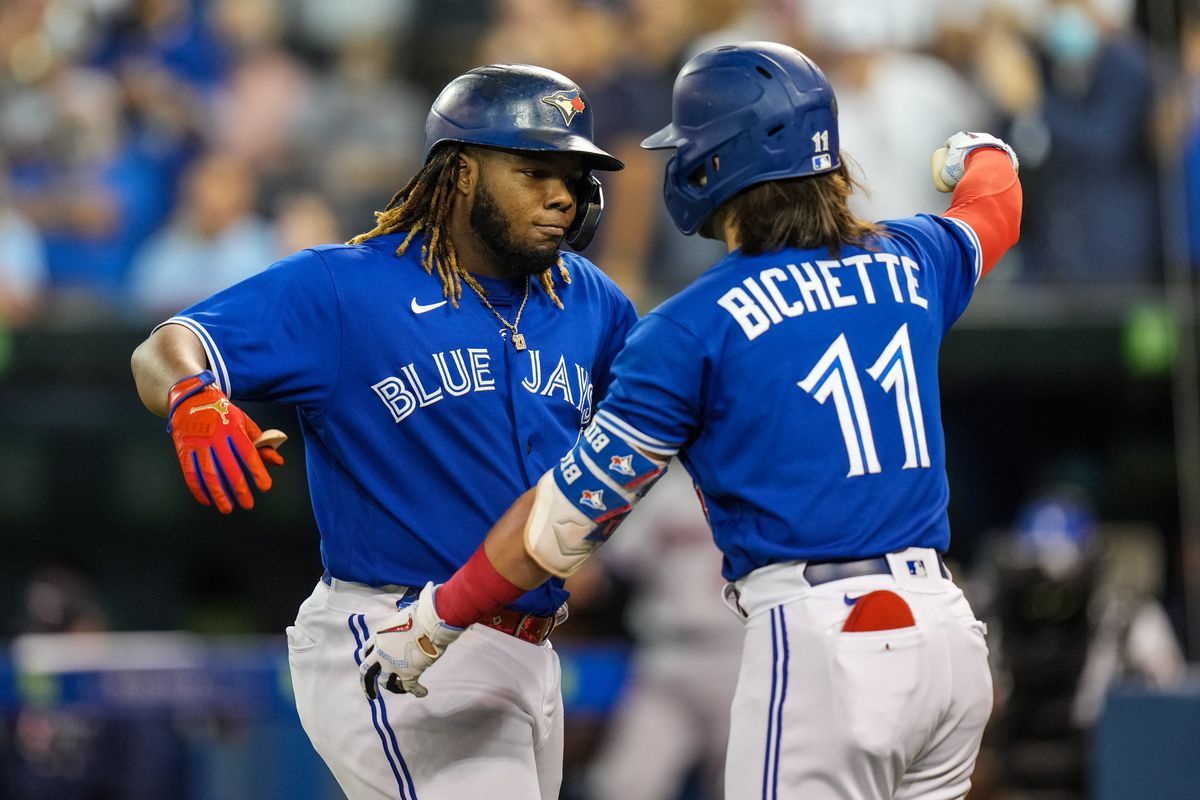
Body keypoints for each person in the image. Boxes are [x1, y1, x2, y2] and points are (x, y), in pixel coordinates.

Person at [360, 42, 1023, 800]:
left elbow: (562, 524)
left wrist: (438, 617)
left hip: (826, 637)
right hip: (947, 634)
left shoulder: (693, 326)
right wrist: (982, 151)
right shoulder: (913, 256)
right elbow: (995, 202)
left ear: (715, 163)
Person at [129, 63, 635, 800]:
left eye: (576, 176)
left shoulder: (589, 298)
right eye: (536, 169)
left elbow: (666, 420)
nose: (564, 194)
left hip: (531, 648)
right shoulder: (347, 286)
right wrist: (191, 396)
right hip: (396, 634)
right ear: (460, 172)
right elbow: (166, 345)